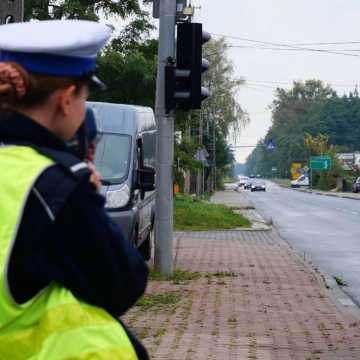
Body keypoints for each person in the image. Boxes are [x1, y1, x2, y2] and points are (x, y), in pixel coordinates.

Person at [0, 20, 149, 360]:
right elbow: (122, 283)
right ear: (67, 100)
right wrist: (89, 196)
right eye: (86, 97)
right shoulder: (54, 184)